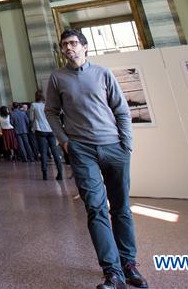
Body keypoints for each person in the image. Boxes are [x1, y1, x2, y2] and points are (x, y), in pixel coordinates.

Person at [45, 29, 147, 289]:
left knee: (121, 208)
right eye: (64, 45)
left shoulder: (103, 73)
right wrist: (65, 142)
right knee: (96, 209)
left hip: (114, 147)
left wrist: (127, 145)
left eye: (73, 43)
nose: (69, 48)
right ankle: (112, 271)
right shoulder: (57, 78)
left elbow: (121, 110)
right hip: (82, 151)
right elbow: (52, 112)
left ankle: (129, 264)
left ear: (85, 47)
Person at [30, 89, 64, 180]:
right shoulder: (47, 105)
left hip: (40, 130)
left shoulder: (34, 105)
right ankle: (60, 172)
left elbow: (31, 118)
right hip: (51, 130)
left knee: (43, 152)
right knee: (55, 151)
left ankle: (45, 173)